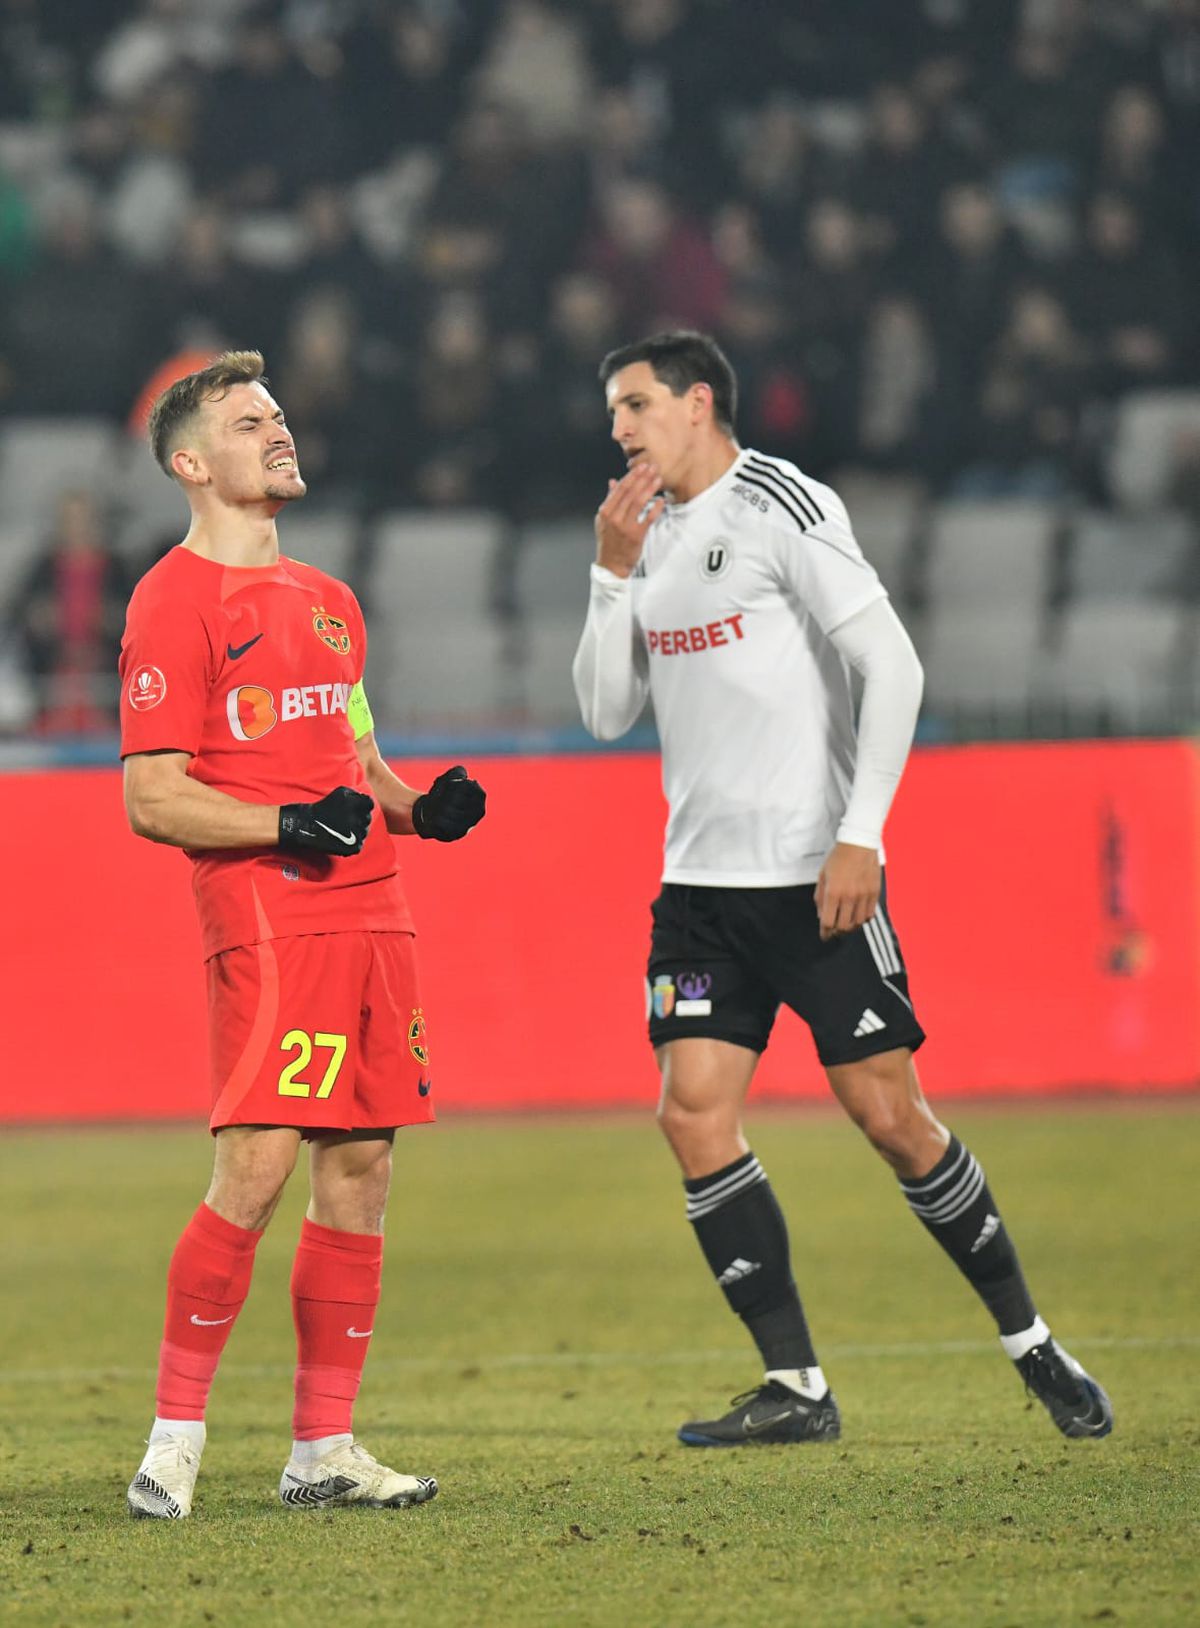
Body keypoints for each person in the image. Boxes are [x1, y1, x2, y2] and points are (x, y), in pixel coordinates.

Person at [572, 329, 1112, 1448]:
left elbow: (894, 664)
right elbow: (603, 710)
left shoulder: (783, 501)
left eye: (632, 403)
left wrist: (860, 836)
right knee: (691, 1114)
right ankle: (797, 1387)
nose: (617, 428)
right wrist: (607, 575)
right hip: (699, 892)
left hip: (812, 882)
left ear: (698, 401)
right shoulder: (647, 535)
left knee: (890, 1118)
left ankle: (1032, 1343)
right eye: (612, 410)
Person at [118, 351, 486, 1518]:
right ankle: (176, 1437)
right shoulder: (170, 601)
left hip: (376, 906)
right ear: (192, 463)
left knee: (363, 1168)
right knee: (260, 1161)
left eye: (277, 416)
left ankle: (321, 1447)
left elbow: (355, 758)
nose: (278, 433)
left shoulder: (332, 602)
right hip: (271, 915)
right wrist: (282, 820)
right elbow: (151, 794)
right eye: (247, 422)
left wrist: (418, 806)